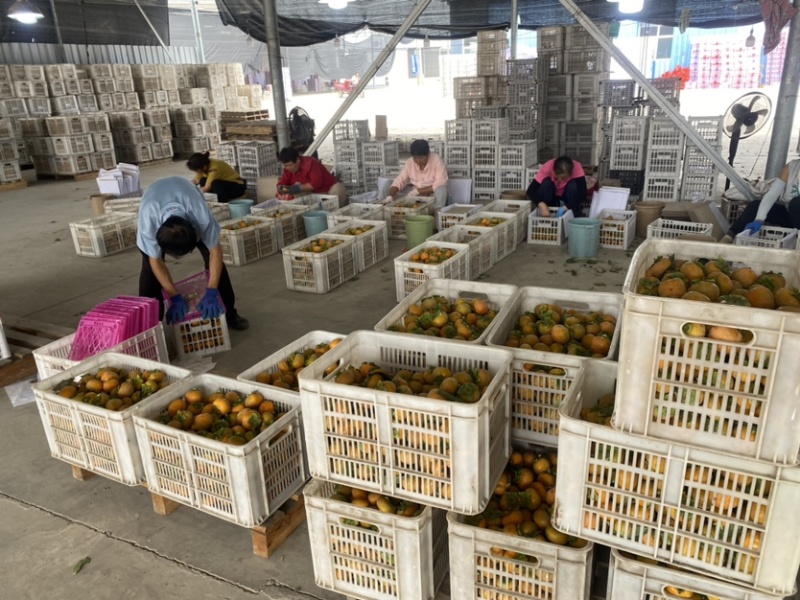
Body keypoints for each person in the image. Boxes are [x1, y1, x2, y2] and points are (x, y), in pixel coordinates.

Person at [137, 176, 249, 331]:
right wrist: (174, 296)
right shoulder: (148, 223)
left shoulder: (199, 215)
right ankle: (150, 326)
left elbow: (215, 252)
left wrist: (211, 291)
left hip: (185, 192)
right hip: (154, 197)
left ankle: (229, 312)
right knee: (149, 273)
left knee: (214, 264)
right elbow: (156, 261)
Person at [723, 159, 800, 240]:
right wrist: (759, 219)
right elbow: (772, 194)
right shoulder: (792, 167)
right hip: (791, 217)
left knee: (796, 203)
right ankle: (729, 237)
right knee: (755, 205)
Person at [380, 139, 449, 208]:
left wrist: (418, 191)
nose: (418, 161)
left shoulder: (436, 160)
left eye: (421, 158)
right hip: (414, 194)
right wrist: (390, 196)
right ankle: (380, 208)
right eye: (415, 158)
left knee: (441, 189)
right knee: (389, 184)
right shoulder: (410, 162)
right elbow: (400, 180)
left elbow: (440, 182)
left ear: (428, 154)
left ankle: (437, 215)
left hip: (432, 195)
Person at [277, 147, 347, 207]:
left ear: (298, 160)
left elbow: (316, 183)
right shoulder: (287, 170)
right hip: (311, 198)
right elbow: (282, 183)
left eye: (290, 165)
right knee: (296, 188)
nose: (288, 168)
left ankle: (335, 212)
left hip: (327, 192)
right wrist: (281, 188)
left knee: (339, 188)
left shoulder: (311, 163)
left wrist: (298, 187)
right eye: (285, 166)